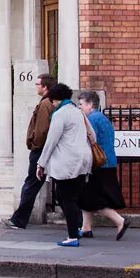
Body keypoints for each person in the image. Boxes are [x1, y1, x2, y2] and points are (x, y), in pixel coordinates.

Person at [36, 83, 92, 247]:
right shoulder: (78, 112)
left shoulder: (60, 114)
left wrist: (41, 163)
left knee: (66, 199)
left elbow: (51, 141)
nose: (52, 104)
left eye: (52, 101)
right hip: (83, 162)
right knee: (69, 198)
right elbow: (92, 135)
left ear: (55, 100)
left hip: (67, 163)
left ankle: (72, 236)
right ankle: (77, 230)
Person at [3, 74, 57, 229]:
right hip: (46, 150)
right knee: (35, 185)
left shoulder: (45, 104)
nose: (36, 86)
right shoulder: (49, 103)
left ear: (45, 87)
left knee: (31, 185)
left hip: (40, 151)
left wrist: (35, 145)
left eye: (37, 84)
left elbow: (41, 130)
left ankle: (19, 219)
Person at [78, 91, 130, 241]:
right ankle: (86, 228)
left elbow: (88, 140)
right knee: (86, 196)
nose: (79, 107)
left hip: (98, 164)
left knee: (95, 198)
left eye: (81, 104)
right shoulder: (102, 118)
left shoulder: (91, 119)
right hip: (107, 163)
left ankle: (120, 221)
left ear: (90, 104)